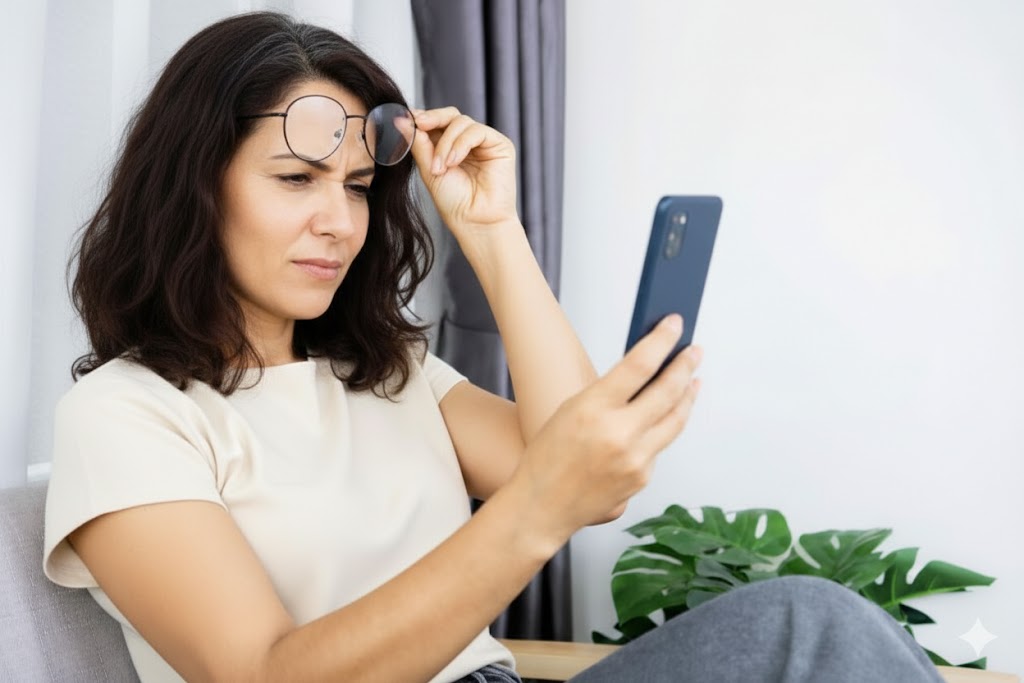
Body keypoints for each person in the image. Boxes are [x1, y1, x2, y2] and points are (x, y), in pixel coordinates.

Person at [42, 12, 944, 683]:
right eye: (295, 178)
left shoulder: (386, 373)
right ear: (194, 190)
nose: (339, 221)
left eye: (357, 186)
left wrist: (494, 232)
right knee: (810, 627)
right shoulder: (125, 416)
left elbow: (584, 474)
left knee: (814, 627)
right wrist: (535, 509)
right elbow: (265, 673)